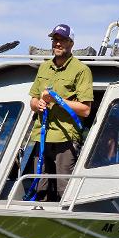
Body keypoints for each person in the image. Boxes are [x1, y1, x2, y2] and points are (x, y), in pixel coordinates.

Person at [29, 24, 93, 201]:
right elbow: (32, 101)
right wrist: (38, 104)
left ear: (71, 43)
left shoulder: (81, 70)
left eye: (62, 40)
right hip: (41, 137)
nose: (57, 44)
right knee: (39, 190)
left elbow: (86, 110)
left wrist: (56, 100)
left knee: (64, 191)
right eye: (55, 40)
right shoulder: (43, 68)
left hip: (66, 140)